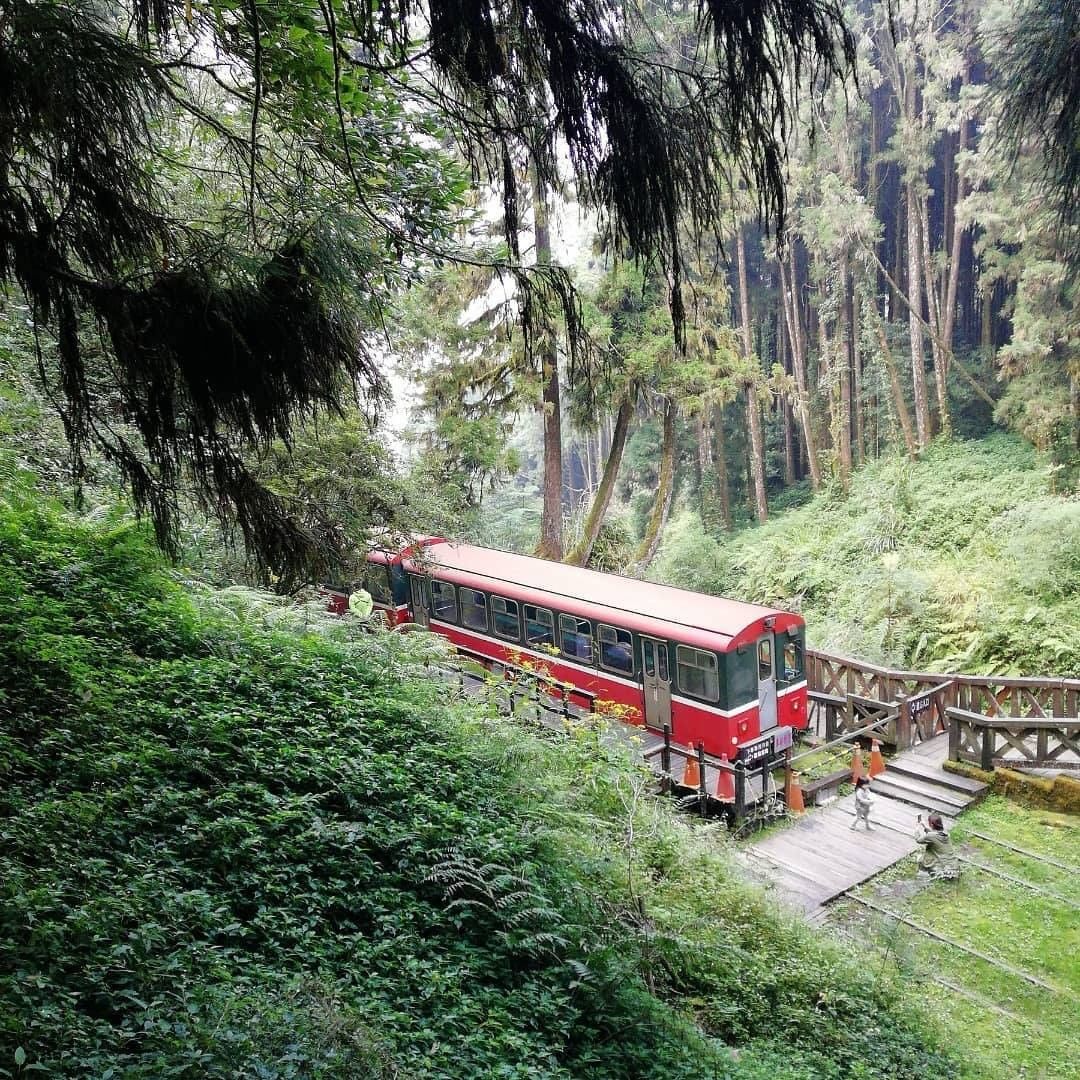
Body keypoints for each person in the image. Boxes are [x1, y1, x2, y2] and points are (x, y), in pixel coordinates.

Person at [914, 813, 958, 878]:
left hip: (942, 867)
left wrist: (917, 827)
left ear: (931, 824)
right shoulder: (946, 834)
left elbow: (918, 840)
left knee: (919, 858)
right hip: (953, 865)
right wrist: (924, 825)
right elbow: (933, 835)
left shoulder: (931, 836)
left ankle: (924, 873)